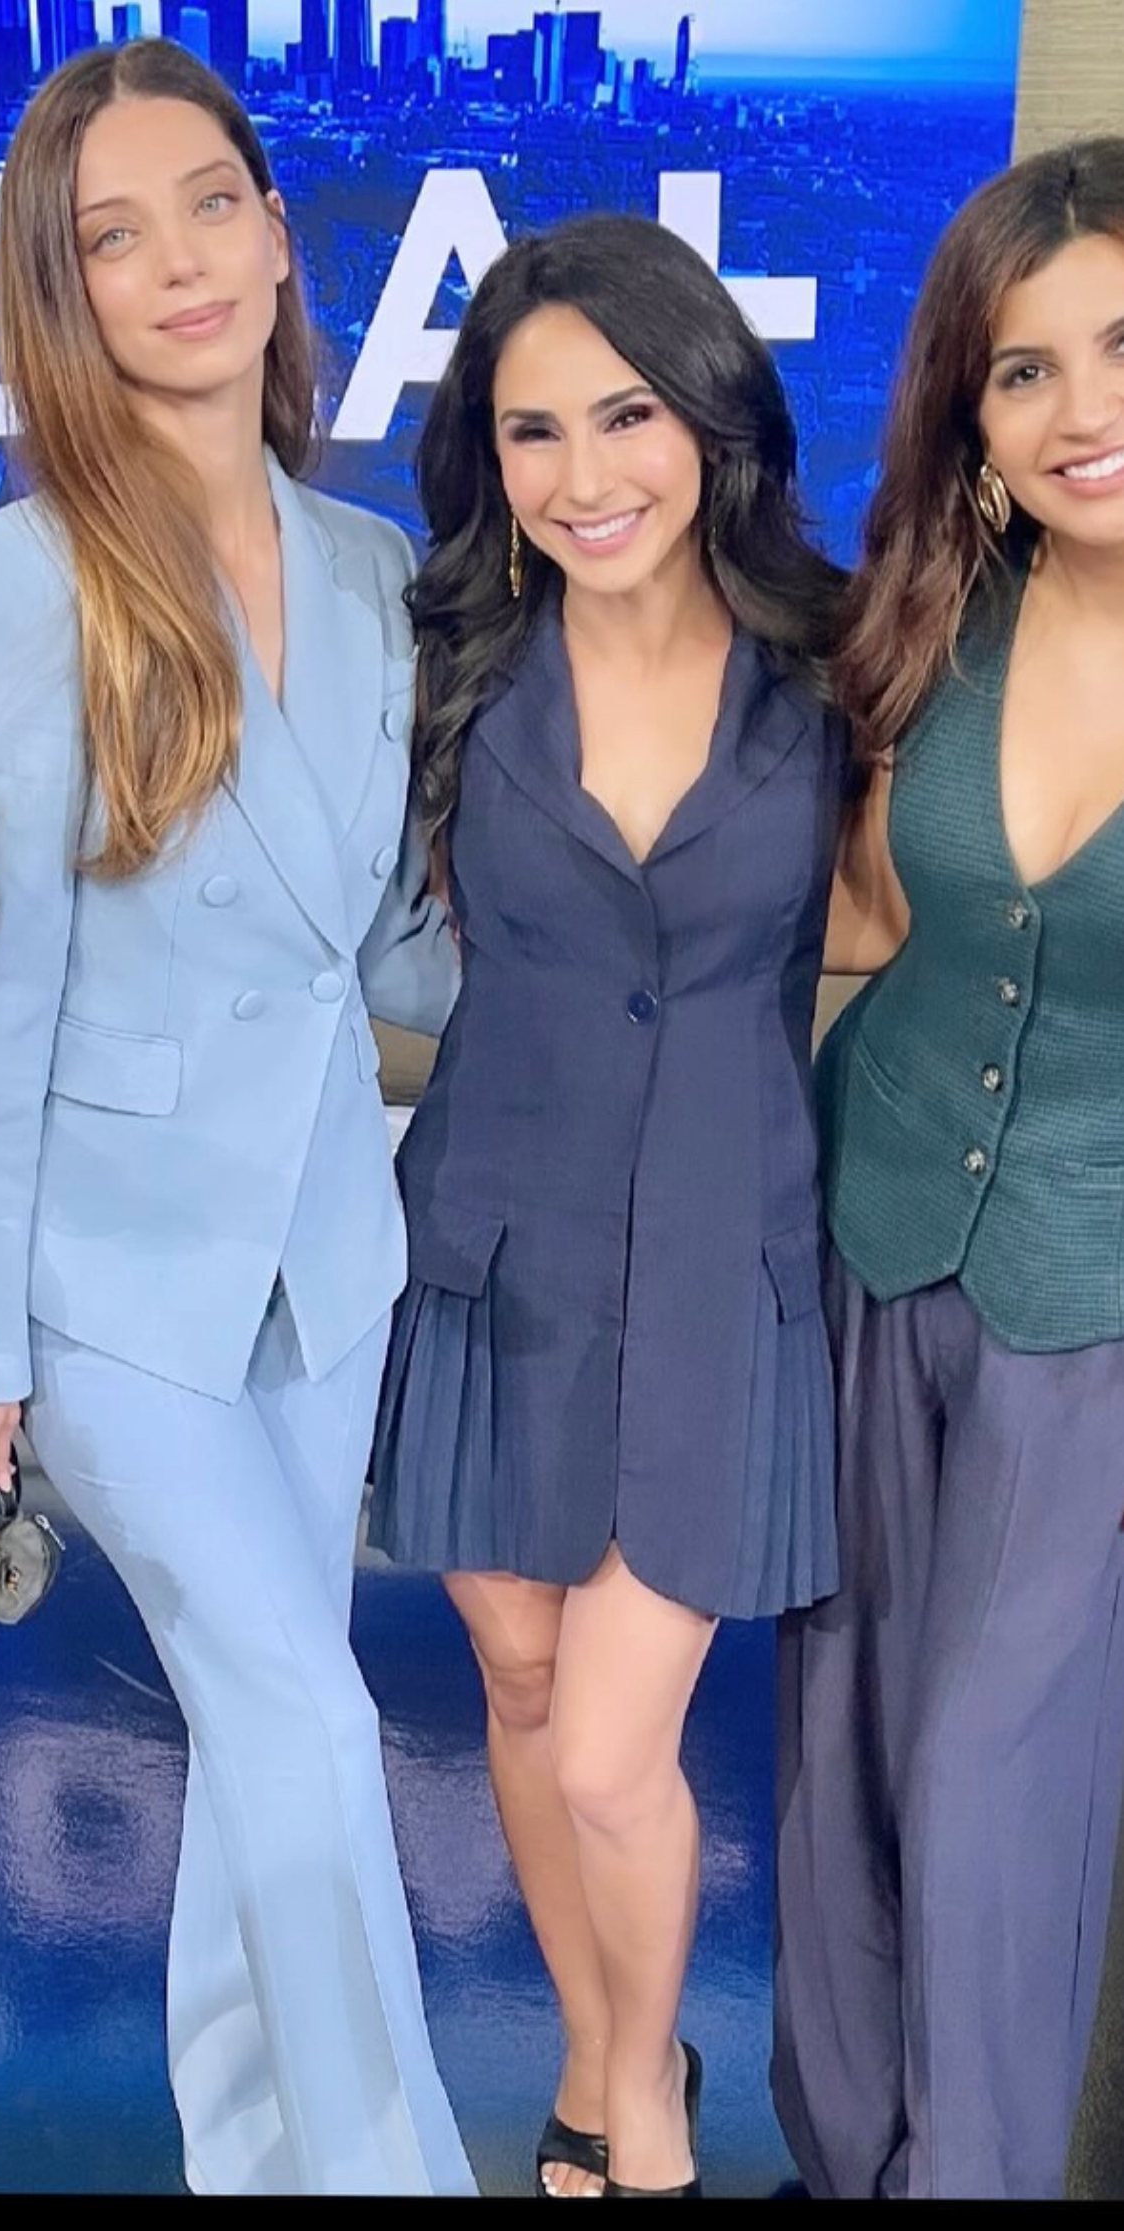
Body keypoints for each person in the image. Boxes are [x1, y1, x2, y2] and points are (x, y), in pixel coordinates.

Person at [0, 39, 475, 2199]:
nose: (175, 260)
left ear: (274, 232)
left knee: (272, 1754)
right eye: (111, 234)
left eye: (209, 204)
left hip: (323, 1254)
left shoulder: (373, 567)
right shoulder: (15, 581)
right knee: (312, 1723)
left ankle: (255, 2165)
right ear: (62, 290)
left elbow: (396, 954)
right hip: (107, 1283)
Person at [367, 211, 846, 2200]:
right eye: (533, 429)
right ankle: (594, 2052)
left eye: (626, 414)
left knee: (605, 1748)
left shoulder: (837, 660)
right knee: (523, 1686)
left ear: (710, 413)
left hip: (728, 1264)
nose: (584, 476)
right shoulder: (451, 665)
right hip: (495, 1250)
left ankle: (641, 2113)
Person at [772, 136, 1124, 2203]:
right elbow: (858, 920)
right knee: (837, 1757)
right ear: (969, 412)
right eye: (1025, 370)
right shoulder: (931, 620)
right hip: (871, 1228)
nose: (1082, 411)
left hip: (1096, 1314)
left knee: (993, 1783)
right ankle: (847, 2169)